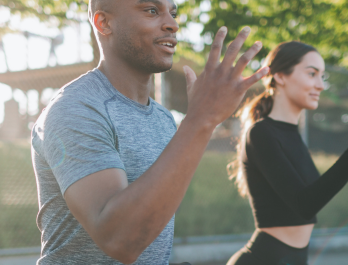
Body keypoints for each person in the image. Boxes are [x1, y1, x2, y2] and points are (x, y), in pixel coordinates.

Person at [29, 0, 269, 263]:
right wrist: (201, 119)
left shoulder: (164, 119)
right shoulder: (75, 109)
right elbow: (119, 240)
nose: (173, 24)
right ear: (104, 23)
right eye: (152, 11)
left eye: (173, 13)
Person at [226, 41, 348, 265]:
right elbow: (306, 205)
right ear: (280, 76)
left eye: (322, 76)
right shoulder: (261, 134)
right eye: (312, 74)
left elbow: (315, 195)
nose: (320, 85)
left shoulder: (292, 136)